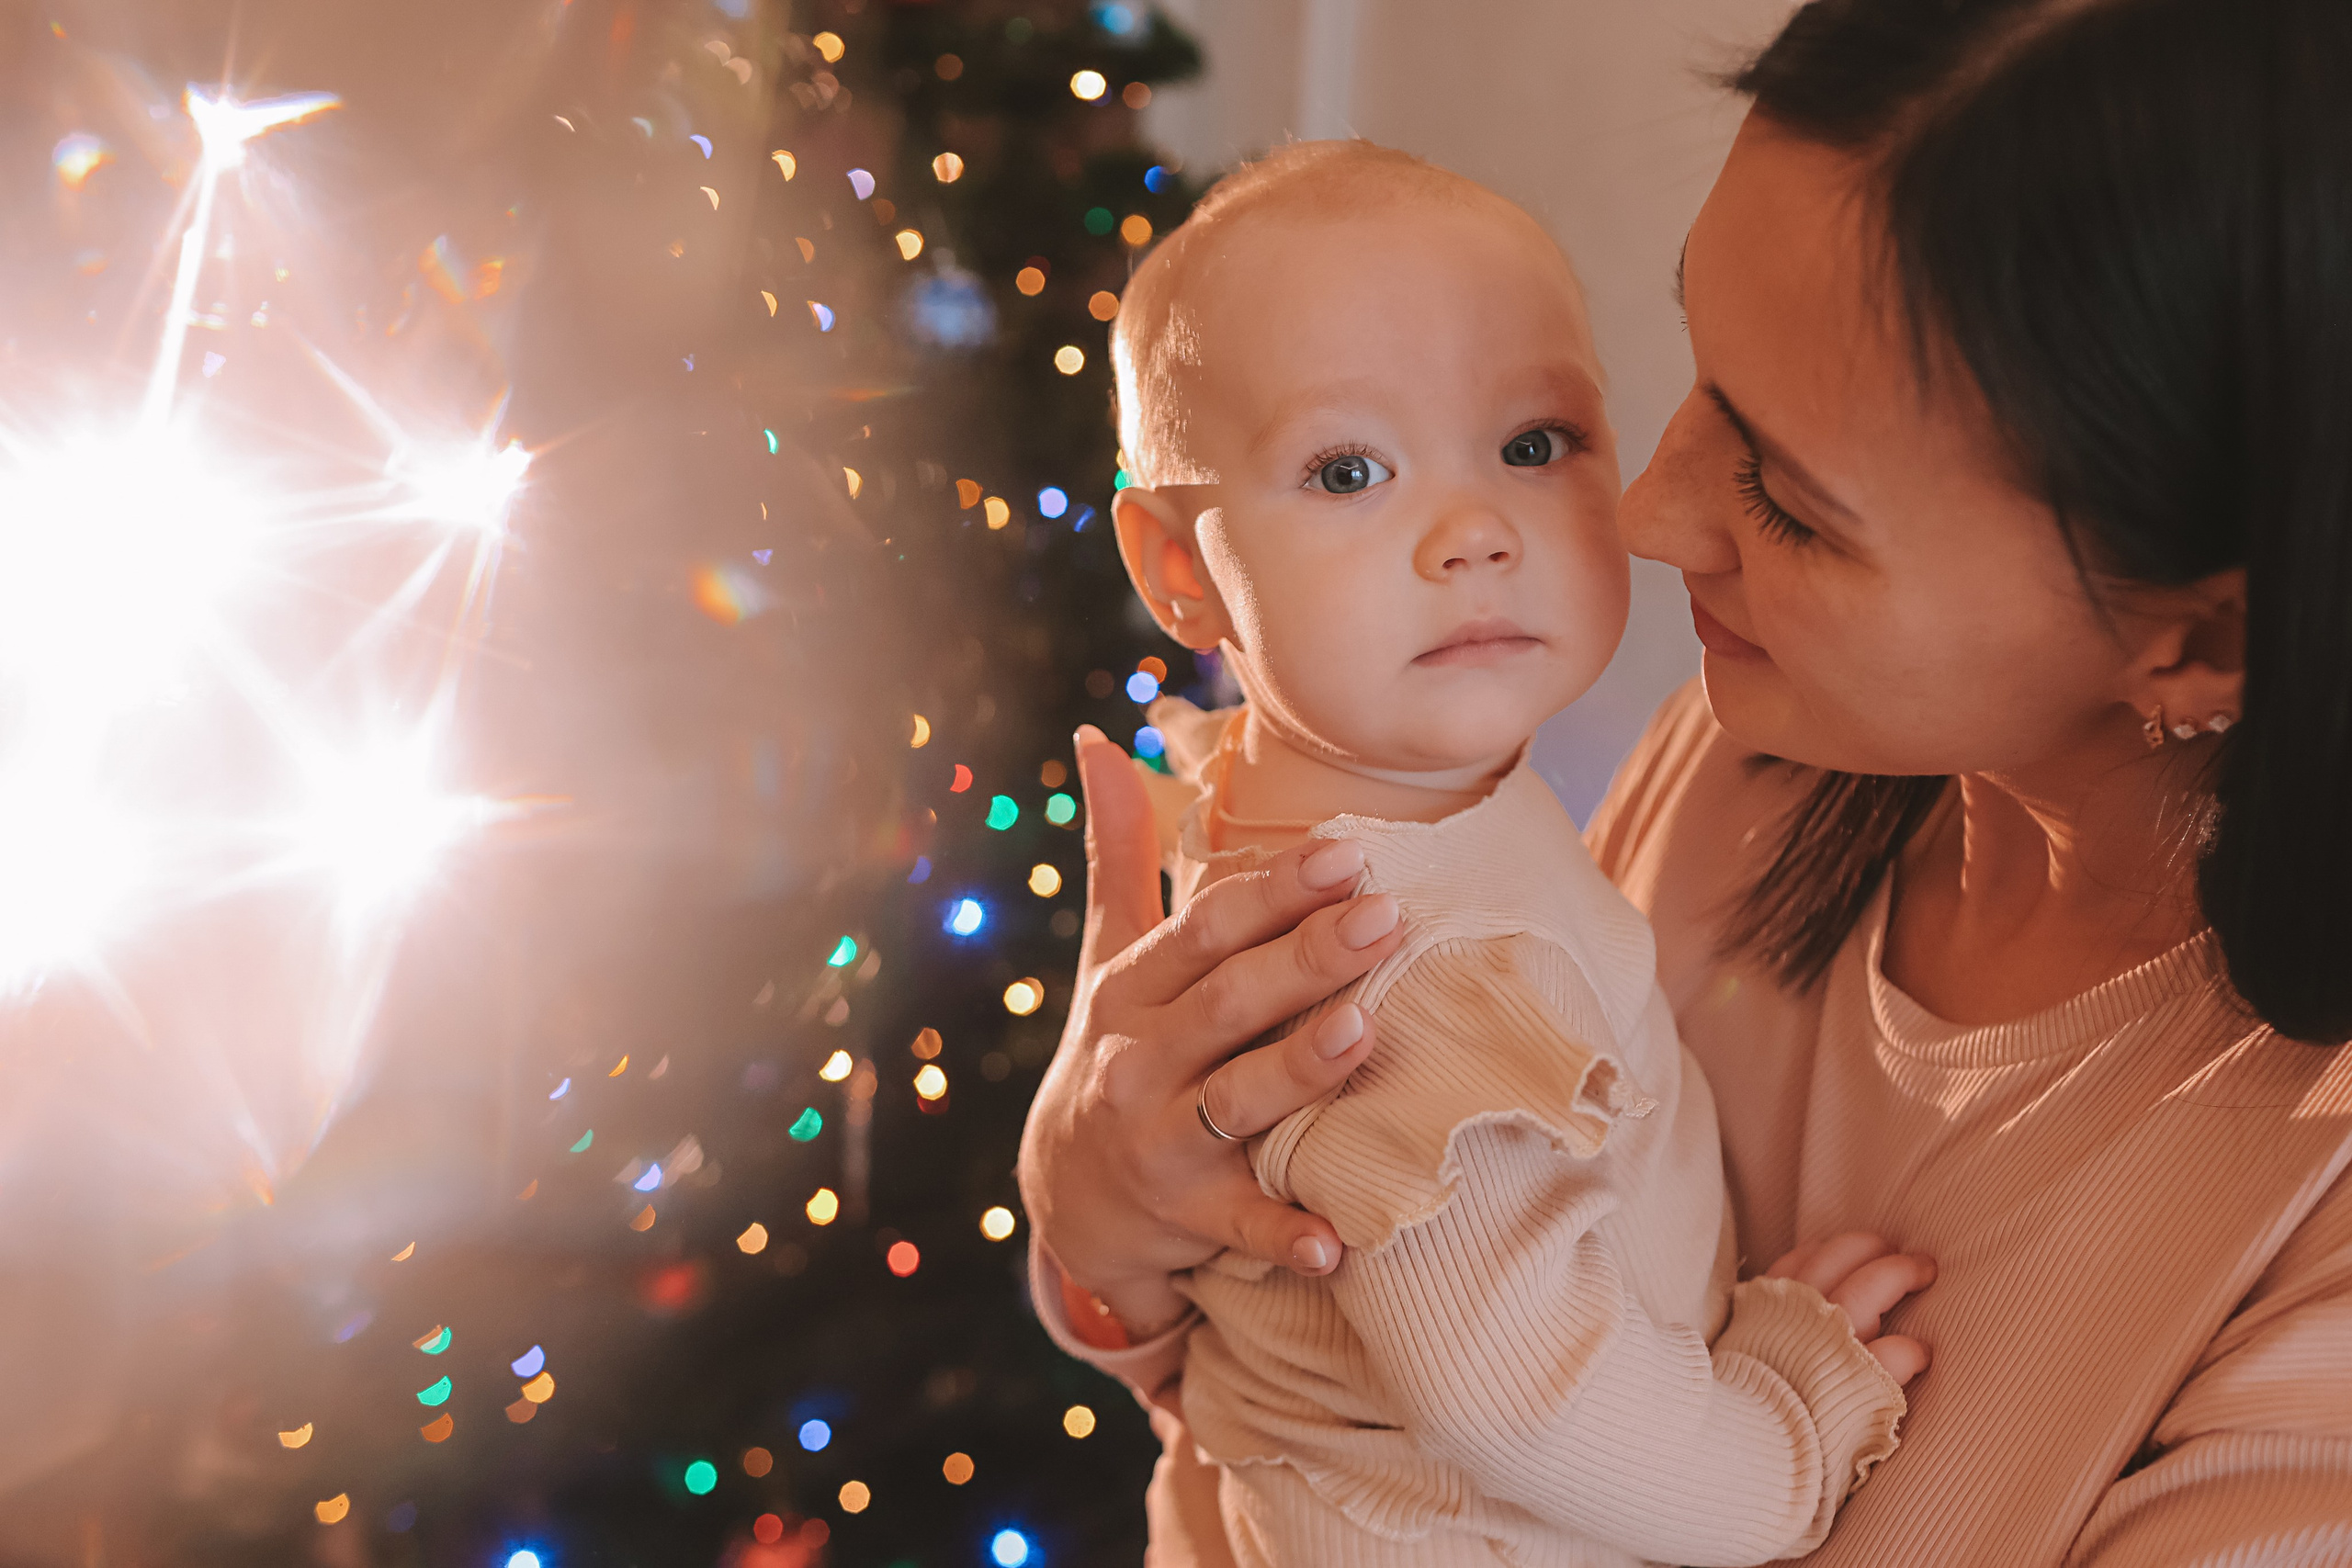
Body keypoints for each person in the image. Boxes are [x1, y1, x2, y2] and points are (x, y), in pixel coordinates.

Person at [1015, 1, 2352, 1563]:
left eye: (1787, 492)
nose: (1650, 513)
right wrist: (1106, 1230)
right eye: (1699, 381)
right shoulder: (1749, 760)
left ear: (2204, 639)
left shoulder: (2302, 1220)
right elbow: (1354, 1376)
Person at [1081, 138, 1928, 1567]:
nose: (1473, 531)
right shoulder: (1395, 972)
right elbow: (1528, 1395)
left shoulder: (1351, 803)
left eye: (1534, 446)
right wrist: (1785, 1430)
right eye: (1348, 469)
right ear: (1181, 570)